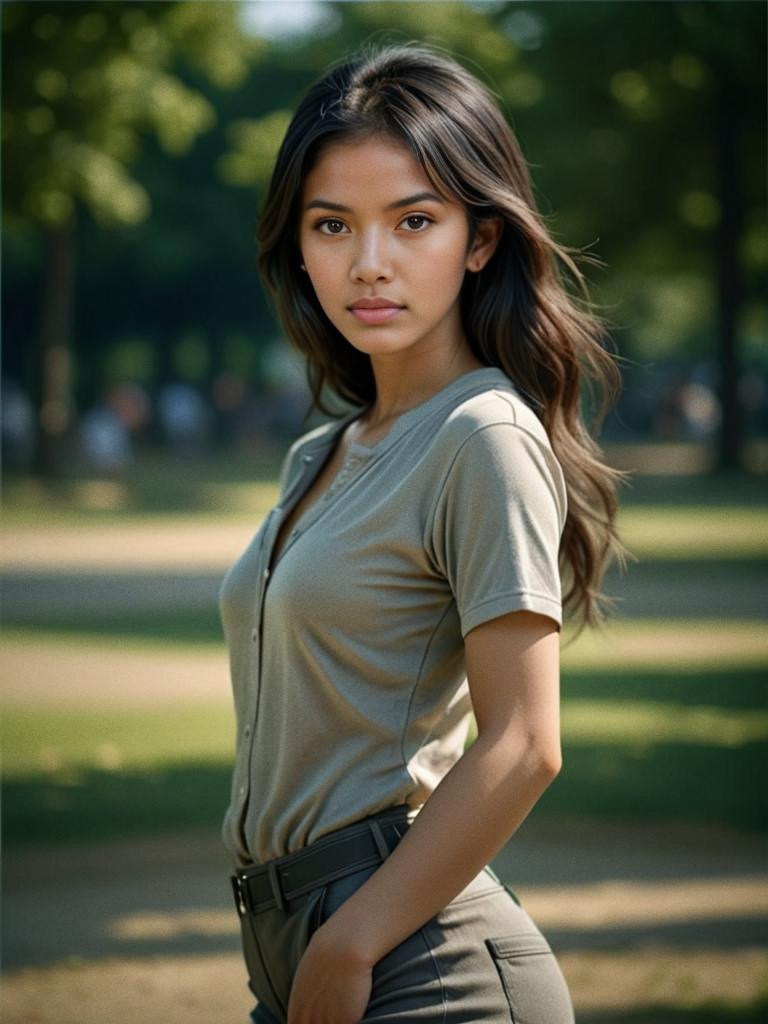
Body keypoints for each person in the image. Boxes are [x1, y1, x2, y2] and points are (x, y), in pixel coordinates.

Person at [219, 41, 630, 1024]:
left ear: (480, 239)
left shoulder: (481, 434)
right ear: (299, 243)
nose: (369, 263)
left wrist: (353, 938)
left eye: (414, 221)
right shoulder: (319, 451)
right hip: (291, 941)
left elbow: (526, 740)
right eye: (332, 225)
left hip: (417, 960)